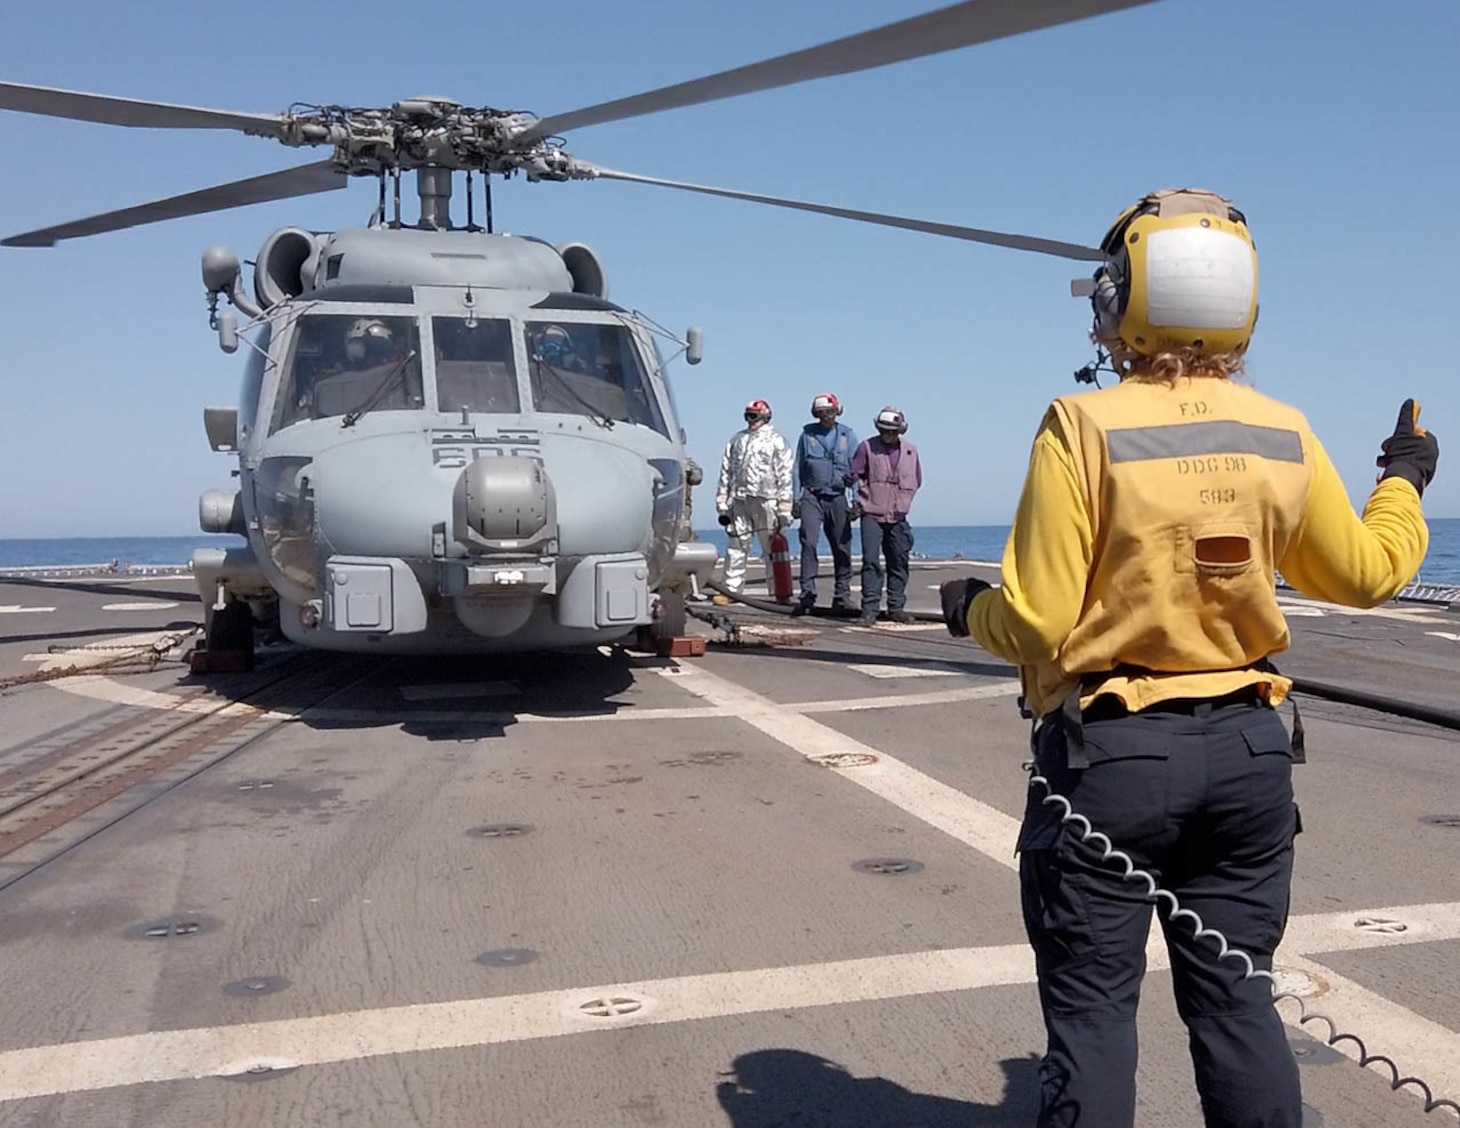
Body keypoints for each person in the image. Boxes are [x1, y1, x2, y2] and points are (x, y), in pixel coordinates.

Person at [938, 188, 1436, 1128]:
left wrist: (973, 613)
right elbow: (1369, 574)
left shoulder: (1081, 425)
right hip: (1250, 756)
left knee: (1092, 1017)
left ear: (1122, 299)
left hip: (1111, 762)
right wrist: (1403, 482)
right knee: (1238, 1005)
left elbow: (1040, 620)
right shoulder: (1280, 430)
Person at [849, 406, 922, 625]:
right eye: (884, 431)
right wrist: (862, 499)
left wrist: (903, 502)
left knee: (899, 561)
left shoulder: (911, 451)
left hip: (898, 515)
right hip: (872, 513)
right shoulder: (866, 447)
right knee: (871, 562)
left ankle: (896, 607)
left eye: (892, 431)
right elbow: (855, 474)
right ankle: (870, 609)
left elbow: (917, 480)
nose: (888, 435)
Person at [715, 399, 794, 596]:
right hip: (740, 500)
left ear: (766, 416)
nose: (750, 420)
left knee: (771, 547)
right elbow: (727, 470)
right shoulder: (737, 440)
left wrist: (785, 507)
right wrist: (722, 499)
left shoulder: (777, 441)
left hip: (767, 500)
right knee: (736, 546)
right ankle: (732, 590)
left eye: (754, 416)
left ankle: (779, 592)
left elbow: (785, 474)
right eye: (748, 416)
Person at [791, 393, 859, 616]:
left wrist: (855, 501)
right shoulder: (807, 435)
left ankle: (842, 596)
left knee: (842, 546)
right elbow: (798, 469)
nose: (826, 417)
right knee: (809, 542)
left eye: (830, 413)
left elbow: (855, 470)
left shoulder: (848, 436)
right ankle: (807, 594)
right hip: (812, 496)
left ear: (837, 412)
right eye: (822, 414)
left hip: (838, 497)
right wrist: (796, 499)